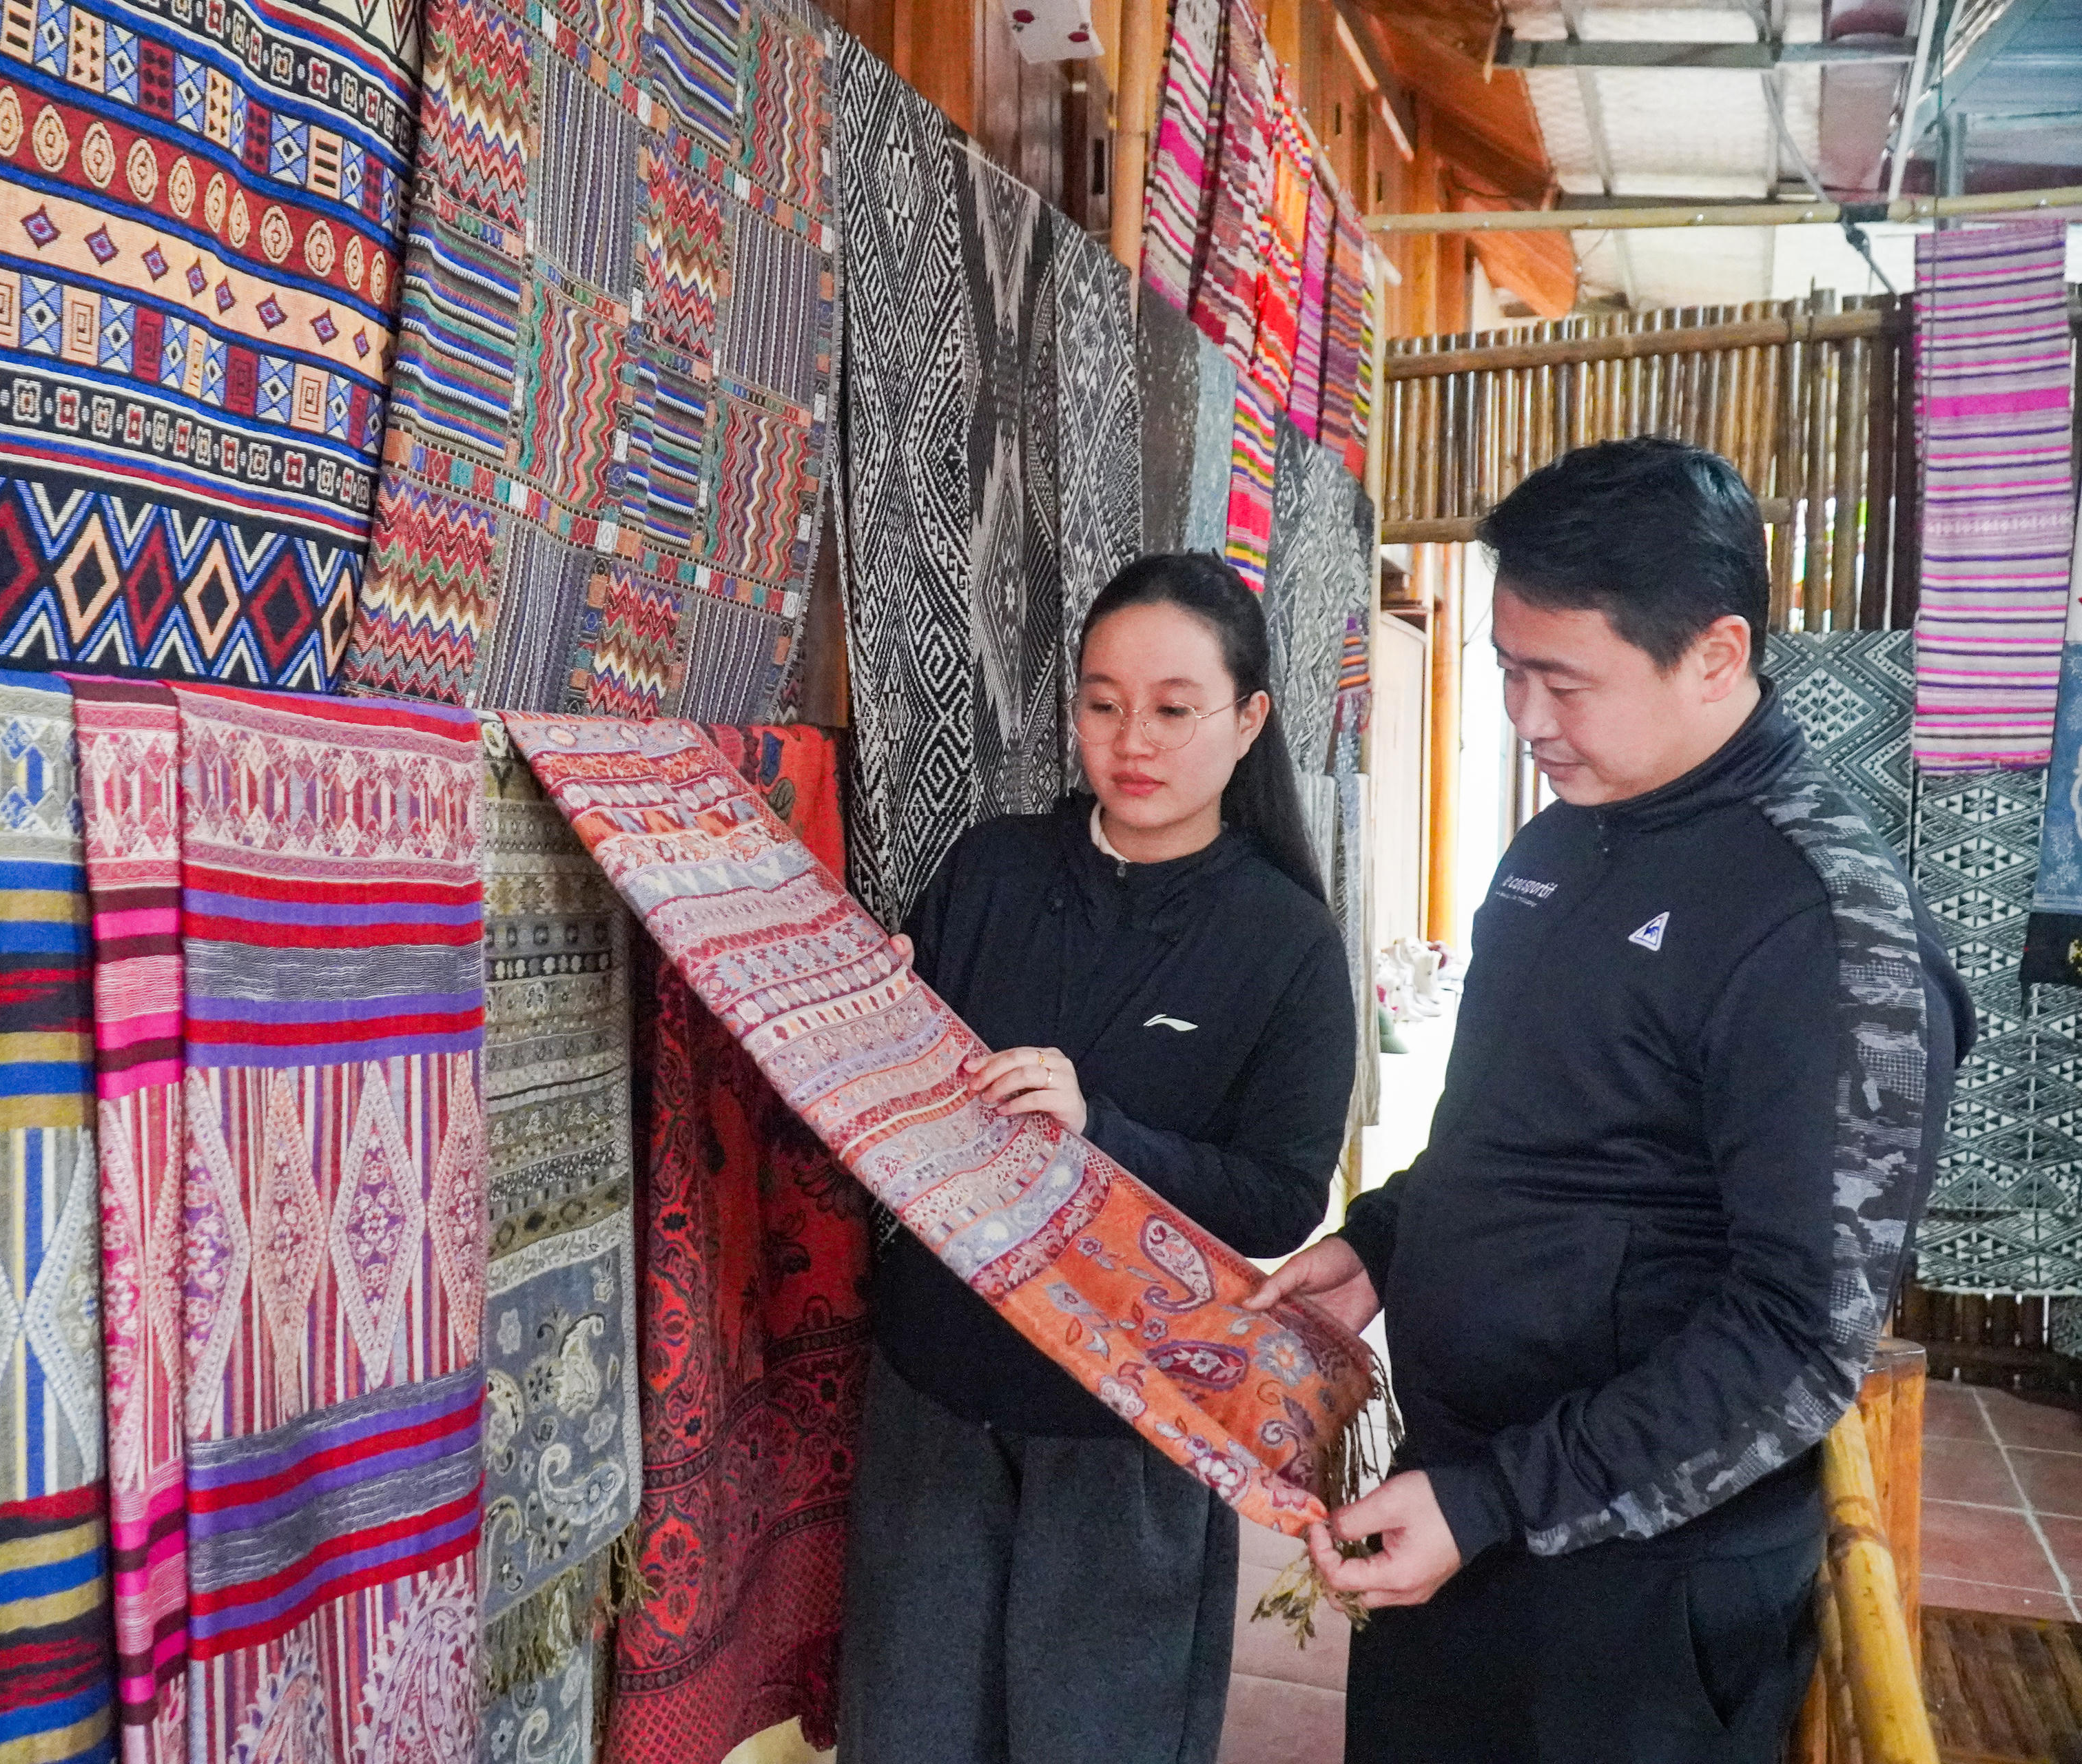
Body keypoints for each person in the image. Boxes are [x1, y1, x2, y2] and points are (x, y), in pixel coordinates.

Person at [1249, 437, 1973, 1764]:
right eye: (1508, 670)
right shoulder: (1561, 839)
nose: (1524, 717)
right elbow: (1508, 1123)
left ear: (1715, 654)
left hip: (1635, 1578)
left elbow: (1798, 1340)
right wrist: (1387, 1240)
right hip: (1464, 1498)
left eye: (1562, 680)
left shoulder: (1820, 928)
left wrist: (1500, 1502)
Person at [839, 552, 1359, 1764]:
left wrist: (1101, 1133)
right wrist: (870, 1011)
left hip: (1128, 1417)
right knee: (910, 1731)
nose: (1133, 742)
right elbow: (903, 1092)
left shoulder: (1285, 942)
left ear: (1250, 721)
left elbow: (1280, 1195)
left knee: (1096, 1735)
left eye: (1175, 709)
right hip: (935, 1392)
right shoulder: (993, 869)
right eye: (1103, 702)